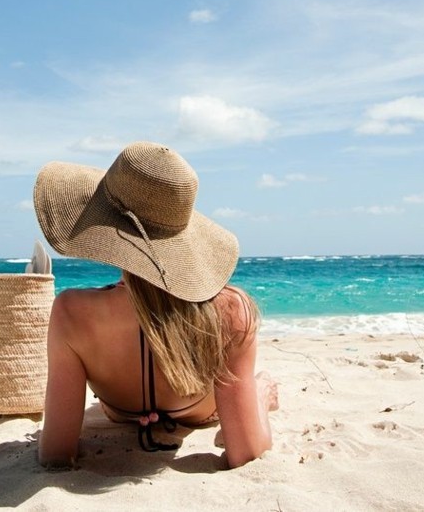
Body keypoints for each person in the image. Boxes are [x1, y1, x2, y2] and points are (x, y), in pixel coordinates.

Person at [33, 140, 278, 470]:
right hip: (201, 411)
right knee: (255, 387)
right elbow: (247, 452)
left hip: (120, 410)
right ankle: (259, 390)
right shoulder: (231, 311)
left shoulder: (72, 312)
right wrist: (259, 397)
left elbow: (55, 454)